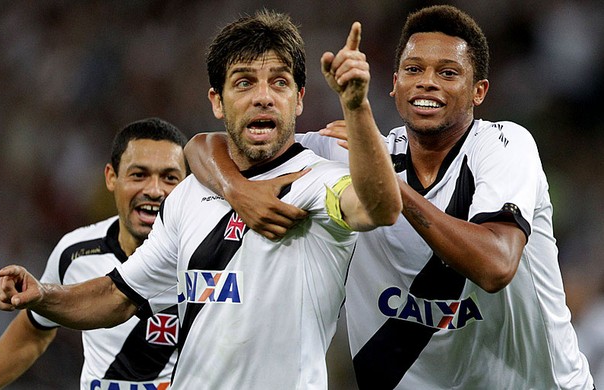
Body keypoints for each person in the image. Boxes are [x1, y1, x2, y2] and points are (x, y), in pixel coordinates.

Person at [183, 5, 594, 390]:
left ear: (479, 91)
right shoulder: (353, 154)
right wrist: (235, 188)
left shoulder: (504, 147)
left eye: (449, 73)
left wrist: (389, 184)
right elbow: (207, 145)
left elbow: (495, 265)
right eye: (414, 69)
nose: (427, 81)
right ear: (395, 85)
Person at [0, 9, 401, 390]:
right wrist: (43, 295)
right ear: (216, 102)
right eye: (244, 82)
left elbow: (379, 207)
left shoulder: (318, 180)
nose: (263, 96)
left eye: (279, 82)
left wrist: (355, 105)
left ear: (299, 99)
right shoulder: (189, 193)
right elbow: (117, 295)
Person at [0, 117, 188, 390]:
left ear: (188, 187)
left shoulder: (208, 257)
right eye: (139, 174)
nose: (154, 190)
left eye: (169, 178)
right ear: (111, 178)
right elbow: (34, 332)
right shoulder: (76, 253)